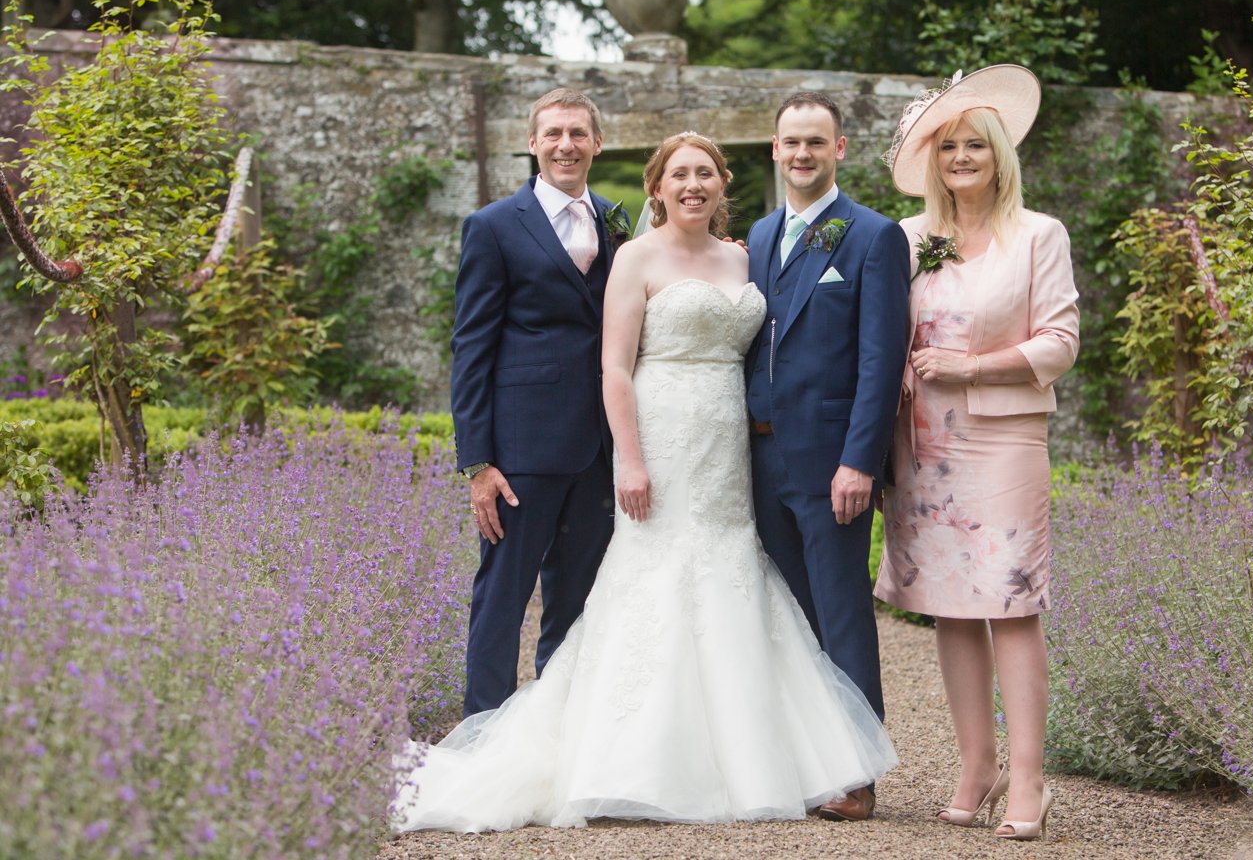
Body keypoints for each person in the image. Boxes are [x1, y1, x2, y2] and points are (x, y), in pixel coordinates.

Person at [396, 132, 897, 833]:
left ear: (723, 185)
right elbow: (616, 368)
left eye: (706, 174)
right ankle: (625, 759)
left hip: (728, 445)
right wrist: (629, 459)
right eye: (679, 174)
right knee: (651, 576)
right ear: (656, 187)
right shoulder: (633, 256)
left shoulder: (745, 255)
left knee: (731, 571)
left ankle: (751, 753)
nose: (693, 184)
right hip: (658, 437)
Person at [874, 65, 1079, 841]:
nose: (961, 156)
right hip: (924, 445)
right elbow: (889, 331)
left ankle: (1029, 778)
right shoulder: (909, 239)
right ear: (935, 161)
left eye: (975, 144)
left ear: (999, 154)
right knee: (951, 609)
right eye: (948, 145)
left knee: (1011, 604)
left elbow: (1060, 342)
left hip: (1002, 439)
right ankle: (976, 764)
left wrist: (973, 367)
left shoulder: (1040, 235)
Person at [744, 93, 909, 821]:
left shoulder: (873, 238)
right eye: (791, 143)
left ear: (840, 148)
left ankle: (856, 775)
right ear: (774, 151)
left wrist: (860, 461)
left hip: (830, 461)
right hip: (753, 458)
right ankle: (799, 762)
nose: (802, 154)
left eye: (817, 141)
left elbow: (880, 361)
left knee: (840, 612)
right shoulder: (753, 236)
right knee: (787, 615)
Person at [448, 88, 622, 717]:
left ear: (597, 143)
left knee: (578, 594)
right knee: (503, 593)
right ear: (533, 143)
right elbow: (471, 347)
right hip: (522, 448)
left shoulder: (616, 220)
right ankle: (483, 728)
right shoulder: (493, 226)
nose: (566, 145)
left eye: (578, 133)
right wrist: (478, 462)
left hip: (599, 445)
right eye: (553, 134)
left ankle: (557, 726)